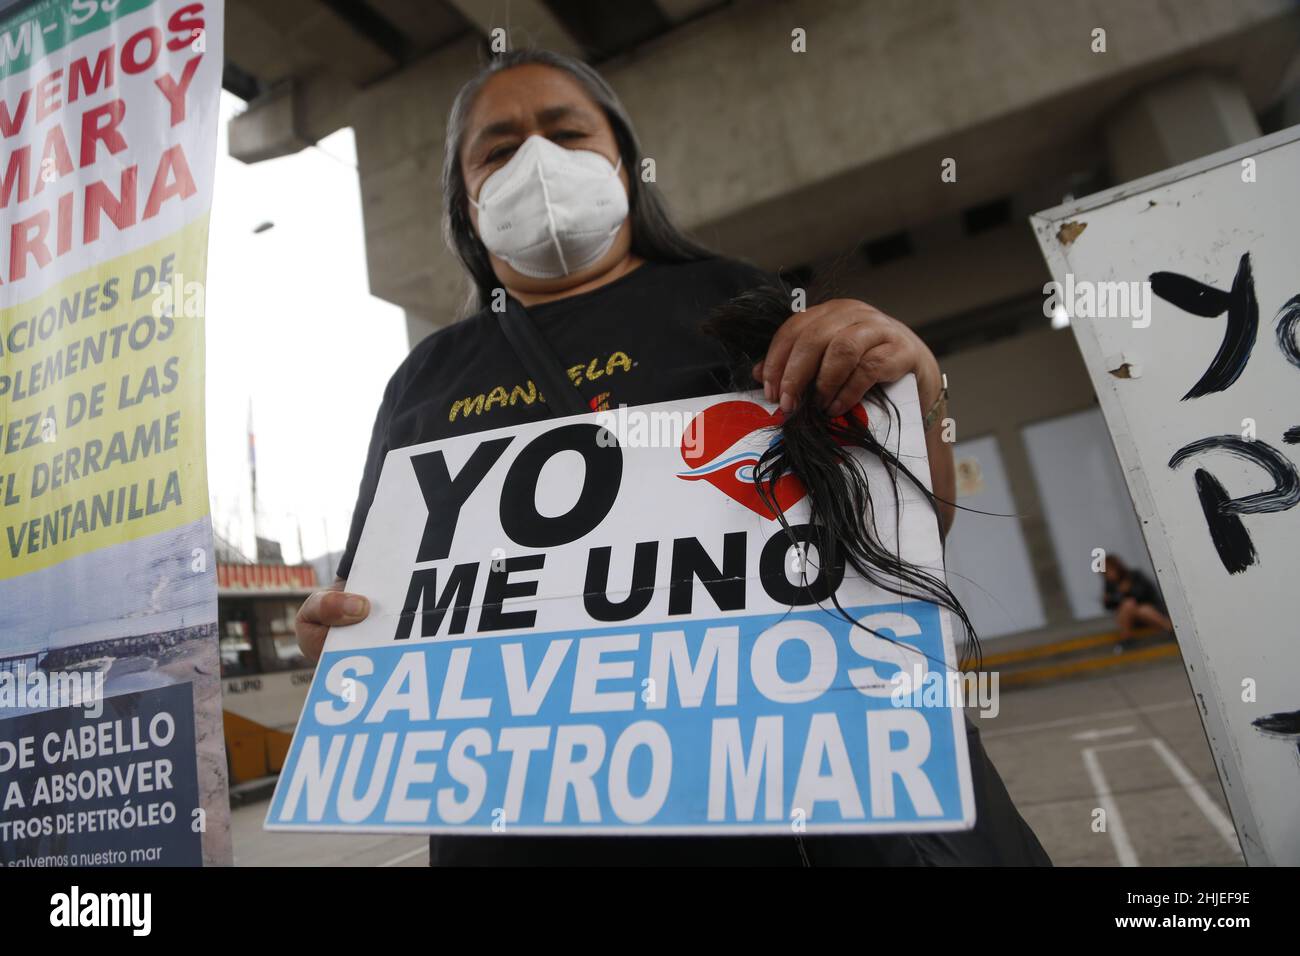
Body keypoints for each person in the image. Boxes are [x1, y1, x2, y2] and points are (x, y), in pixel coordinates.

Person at [295, 48, 1046, 866]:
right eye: (499, 148)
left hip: (795, 799)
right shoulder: (424, 376)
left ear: (624, 159)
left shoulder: (741, 302)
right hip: (530, 816)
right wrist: (338, 635)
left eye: (566, 131)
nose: (538, 160)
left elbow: (902, 532)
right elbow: (380, 592)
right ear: (464, 199)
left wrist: (915, 382)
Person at [1103, 555, 1173, 647]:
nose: (1107, 574)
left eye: (1109, 570)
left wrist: (1128, 591)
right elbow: (1110, 606)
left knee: (1138, 608)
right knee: (1128, 605)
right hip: (1132, 618)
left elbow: (1147, 593)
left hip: (1151, 611)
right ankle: (1127, 638)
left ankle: (1170, 629)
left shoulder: (1134, 576)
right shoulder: (1110, 584)